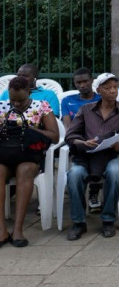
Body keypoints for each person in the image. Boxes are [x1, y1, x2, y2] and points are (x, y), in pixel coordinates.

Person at [64, 73, 119, 240]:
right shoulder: (86, 110)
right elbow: (70, 136)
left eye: (115, 87)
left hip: (112, 154)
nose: (112, 91)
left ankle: (108, 219)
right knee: (74, 175)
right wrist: (83, 143)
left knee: (115, 173)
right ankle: (79, 222)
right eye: (107, 88)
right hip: (87, 156)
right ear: (99, 90)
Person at [0, 76, 59, 247]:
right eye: (13, 100)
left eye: (20, 100)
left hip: (29, 155)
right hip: (5, 154)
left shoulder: (41, 107)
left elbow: (55, 137)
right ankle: (2, 230)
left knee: (24, 171)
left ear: (29, 92)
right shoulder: (2, 106)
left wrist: (29, 128)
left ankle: (18, 229)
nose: (16, 104)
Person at [61, 67, 103, 212]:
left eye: (85, 81)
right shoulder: (67, 101)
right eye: (78, 82)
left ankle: (94, 192)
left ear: (92, 81)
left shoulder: (101, 99)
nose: (82, 85)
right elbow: (68, 126)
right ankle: (88, 192)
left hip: (98, 139)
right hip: (78, 139)